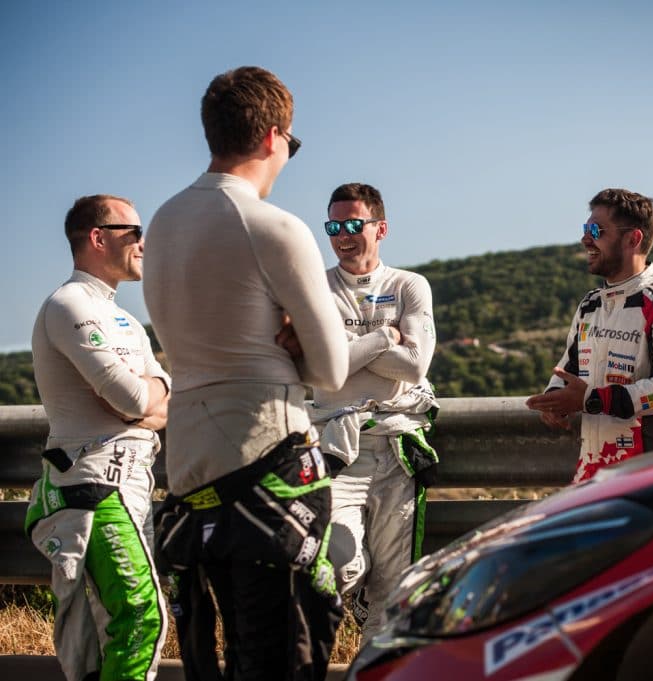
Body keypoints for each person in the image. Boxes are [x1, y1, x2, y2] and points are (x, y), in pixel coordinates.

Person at [143, 66, 350, 681]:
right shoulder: (274, 226)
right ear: (273, 137)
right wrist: (292, 340)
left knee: (218, 653)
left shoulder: (164, 222)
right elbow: (333, 371)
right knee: (282, 654)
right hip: (266, 461)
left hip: (189, 467)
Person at [26, 194, 170, 681]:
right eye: (134, 231)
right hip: (92, 488)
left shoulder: (126, 320)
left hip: (131, 485)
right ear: (98, 237)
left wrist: (144, 398)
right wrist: (142, 400)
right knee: (142, 617)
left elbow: (157, 401)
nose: (143, 243)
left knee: (108, 634)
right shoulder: (68, 304)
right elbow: (133, 401)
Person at [306, 182, 438, 638]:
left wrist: (345, 348)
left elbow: (416, 365)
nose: (342, 235)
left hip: (397, 448)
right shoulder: (314, 289)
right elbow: (321, 369)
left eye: (352, 225)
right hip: (339, 448)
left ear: (380, 228)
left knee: (393, 589)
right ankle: (354, 591)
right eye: (333, 226)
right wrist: (385, 338)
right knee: (339, 562)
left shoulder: (408, 285)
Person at [526, 188, 653, 482]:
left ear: (632, 239)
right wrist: (554, 398)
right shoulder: (590, 304)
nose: (585, 239)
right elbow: (569, 368)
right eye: (585, 229)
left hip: (648, 477)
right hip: (592, 473)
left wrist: (591, 400)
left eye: (596, 230)